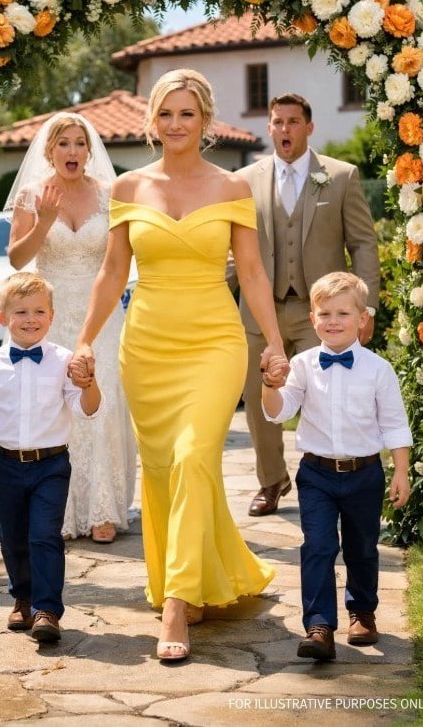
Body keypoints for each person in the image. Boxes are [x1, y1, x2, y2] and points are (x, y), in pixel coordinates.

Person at [69, 68, 288, 662]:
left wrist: (274, 343)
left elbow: (252, 271)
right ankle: (193, 576)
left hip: (215, 341)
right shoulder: (129, 188)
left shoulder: (232, 186)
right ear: (152, 121)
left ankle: (176, 600)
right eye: (165, 113)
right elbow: (112, 272)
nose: (175, 124)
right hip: (147, 343)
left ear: (205, 120)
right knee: (166, 469)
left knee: (194, 456)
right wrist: (85, 341)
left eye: (186, 113)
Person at [236, 92, 380, 518]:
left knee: (325, 395)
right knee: (259, 399)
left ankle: (328, 482)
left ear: (308, 127)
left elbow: (363, 243)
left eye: (293, 121)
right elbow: (232, 249)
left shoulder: (340, 176)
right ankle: (271, 480)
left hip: (321, 314)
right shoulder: (243, 180)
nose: (285, 129)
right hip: (259, 310)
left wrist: (367, 308)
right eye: (278, 122)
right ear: (269, 128)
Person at [1, 111, 136, 544]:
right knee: (55, 404)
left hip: (102, 314)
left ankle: (102, 509)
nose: (72, 151)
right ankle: (56, 509)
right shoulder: (32, 195)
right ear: (50, 150)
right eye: (64, 143)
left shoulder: (109, 195)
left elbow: (121, 258)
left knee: (103, 401)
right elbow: (17, 259)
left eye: (80, 143)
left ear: (89, 150)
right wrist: (43, 221)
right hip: (49, 314)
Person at [262, 272, 412, 661]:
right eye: (324, 313)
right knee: (318, 546)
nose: (333, 321)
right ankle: (319, 626)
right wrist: (270, 385)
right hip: (317, 475)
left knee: (362, 547)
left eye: (343, 313)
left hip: (365, 474)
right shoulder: (303, 365)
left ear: (362, 318)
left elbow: (395, 424)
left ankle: (362, 612)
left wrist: (400, 471)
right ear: (312, 318)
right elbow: (279, 412)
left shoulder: (378, 369)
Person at [0, 272, 101, 643]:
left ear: (51, 316)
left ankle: (47, 610)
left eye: (39, 311)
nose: (31, 319)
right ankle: (22, 598)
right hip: (5, 464)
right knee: (12, 538)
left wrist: (89, 382)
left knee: (44, 535)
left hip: (51, 465)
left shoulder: (64, 361)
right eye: (21, 312)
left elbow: (86, 409)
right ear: (3, 317)